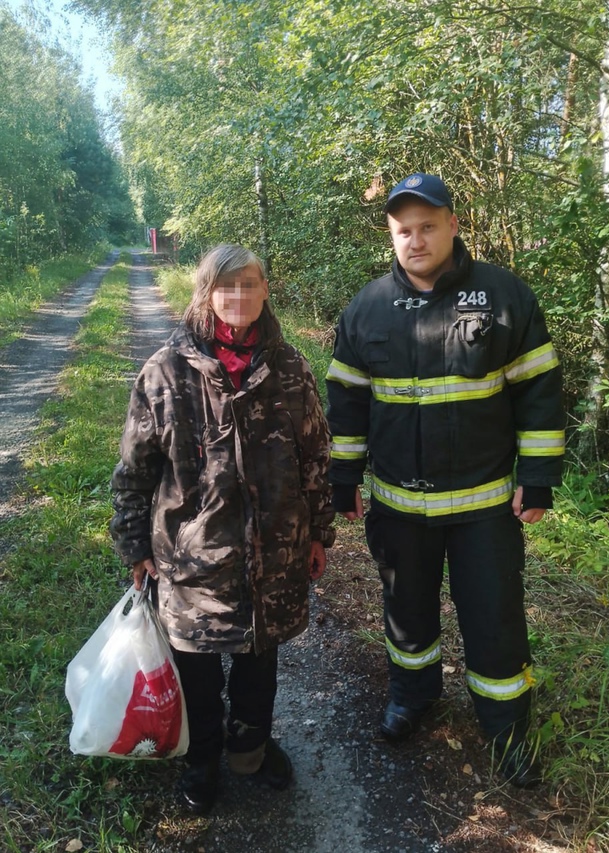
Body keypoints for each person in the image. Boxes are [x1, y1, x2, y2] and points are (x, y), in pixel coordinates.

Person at [326, 173, 564, 788]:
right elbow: (347, 401)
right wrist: (342, 477)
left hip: (487, 508)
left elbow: (539, 393)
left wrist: (537, 478)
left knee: (496, 620)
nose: (415, 239)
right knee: (406, 613)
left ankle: (506, 731)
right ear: (390, 236)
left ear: (454, 224)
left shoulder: (504, 295)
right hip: (398, 507)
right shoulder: (367, 307)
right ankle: (412, 697)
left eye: (427, 226)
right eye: (403, 230)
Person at [110, 243, 335, 814]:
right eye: (226, 287)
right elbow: (135, 470)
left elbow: (316, 455)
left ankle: (250, 752)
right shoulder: (164, 372)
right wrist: (135, 544)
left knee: (262, 660)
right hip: (191, 561)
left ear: (264, 291)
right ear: (206, 294)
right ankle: (202, 758)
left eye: (250, 284)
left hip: (276, 557)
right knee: (198, 671)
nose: (239, 297)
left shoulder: (289, 368)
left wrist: (318, 532)